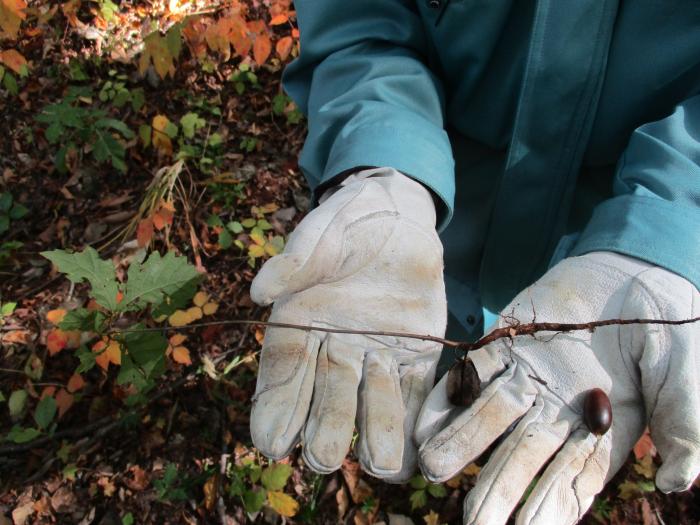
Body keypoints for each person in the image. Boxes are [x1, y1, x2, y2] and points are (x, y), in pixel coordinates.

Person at [248, 2, 700, 523]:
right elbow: (360, 25)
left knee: (513, 394)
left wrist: (670, 228)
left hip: (603, 223)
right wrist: (382, 161)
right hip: (442, 216)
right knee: (418, 366)